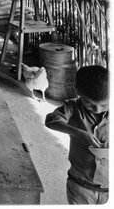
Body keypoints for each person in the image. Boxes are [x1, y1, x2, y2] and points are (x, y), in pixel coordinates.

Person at [45, 65, 109, 204]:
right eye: (89, 103)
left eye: (104, 105)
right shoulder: (73, 107)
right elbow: (51, 120)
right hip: (80, 184)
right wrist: (78, 133)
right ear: (77, 91)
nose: (97, 109)